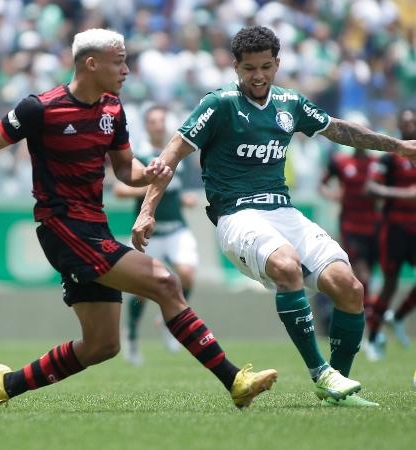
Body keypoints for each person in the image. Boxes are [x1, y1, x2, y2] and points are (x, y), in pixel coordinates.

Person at [0, 28, 279, 412]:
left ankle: (4, 384)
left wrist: (149, 173)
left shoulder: (112, 108)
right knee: (165, 282)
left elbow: (125, 170)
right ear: (91, 63)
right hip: (62, 226)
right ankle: (235, 380)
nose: (127, 69)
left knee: (101, 345)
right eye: (120, 61)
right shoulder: (40, 108)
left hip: (92, 225)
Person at [132, 26, 416, 407]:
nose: (259, 76)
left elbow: (340, 130)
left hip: (283, 211)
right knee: (287, 267)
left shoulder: (290, 102)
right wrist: (146, 209)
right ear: (236, 67)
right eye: (250, 68)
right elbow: (172, 154)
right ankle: (320, 373)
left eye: (266, 67)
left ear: (277, 64)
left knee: (349, 287)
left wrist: (397, 146)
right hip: (237, 216)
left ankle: (337, 386)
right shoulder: (219, 105)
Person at [114, 105, 198, 365]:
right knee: (140, 290)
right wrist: (152, 187)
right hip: (148, 234)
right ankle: (132, 336)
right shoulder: (140, 155)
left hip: (176, 229)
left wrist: (182, 197)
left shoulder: (176, 154)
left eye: (162, 121)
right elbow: (119, 190)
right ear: (147, 125)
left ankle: (168, 319)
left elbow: (176, 189)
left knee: (187, 273)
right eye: (153, 121)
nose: (158, 126)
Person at [318, 113, 381, 335]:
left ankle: (367, 326)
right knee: (361, 275)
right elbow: (322, 184)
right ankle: (365, 326)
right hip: (351, 226)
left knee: (368, 278)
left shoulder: (378, 164)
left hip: (374, 227)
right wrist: (335, 195)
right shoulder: (341, 162)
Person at [364, 107, 416, 360]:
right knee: (389, 284)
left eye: (412, 122)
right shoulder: (390, 156)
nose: (408, 125)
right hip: (394, 228)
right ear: (398, 125)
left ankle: (397, 316)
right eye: (404, 122)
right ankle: (373, 338)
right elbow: (371, 187)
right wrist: (405, 194)